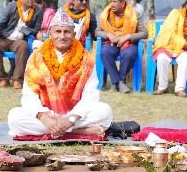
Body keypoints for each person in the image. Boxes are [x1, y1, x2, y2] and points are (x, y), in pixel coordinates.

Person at [9, 10, 113, 138]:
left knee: (105, 112)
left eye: (67, 32)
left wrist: (71, 119)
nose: (62, 36)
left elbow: (90, 95)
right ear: (50, 34)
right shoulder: (36, 57)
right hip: (47, 116)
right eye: (58, 31)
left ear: (74, 34)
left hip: (75, 115)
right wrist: (43, 117)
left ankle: (61, 129)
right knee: (14, 117)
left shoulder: (86, 59)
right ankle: (78, 131)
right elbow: (28, 95)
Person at [151, 0, 187, 96]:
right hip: (167, 45)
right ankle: (162, 87)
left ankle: (179, 89)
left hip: (182, 49)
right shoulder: (175, 13)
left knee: (186, 58)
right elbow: (170, 33)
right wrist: (184, 43)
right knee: (162, 58)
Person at [98, 0, 146, 93]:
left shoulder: (133, 15)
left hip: (128, 43)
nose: (111, 4)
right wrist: (108, 34)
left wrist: (128, 36)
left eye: (114, 2)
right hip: (111, 42)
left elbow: (144, 33)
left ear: (122, 3)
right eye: (111, 1)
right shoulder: (105, 15)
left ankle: (118, 82)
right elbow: (97, 32)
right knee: (105, 52)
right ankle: (118, 82)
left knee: (129, 54)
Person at [0, 0, 40, 88]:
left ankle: (17, 79)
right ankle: (2, 79)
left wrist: (25, 29)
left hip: (19, 40)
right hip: (5, 37)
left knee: (23, 47)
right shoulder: (11, 7)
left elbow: (36, 29)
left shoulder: (38, 11)